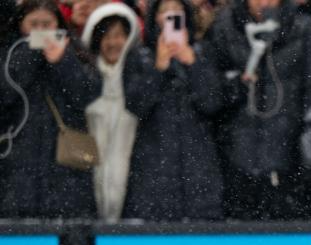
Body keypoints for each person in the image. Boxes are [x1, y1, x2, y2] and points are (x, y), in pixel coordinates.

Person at [205, 0, 311, 220]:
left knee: (287, 240)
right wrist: (237, 86)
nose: (264, 3)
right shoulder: (225, 27)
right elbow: (211, 93)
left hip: (288, 161)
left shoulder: (305, 28)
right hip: (236, 160)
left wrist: (310, 158)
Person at [121, 0, 225, 220]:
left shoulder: (204, 51)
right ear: (153, 18)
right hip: (153, 167)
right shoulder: (139, 56)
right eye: (164, 11)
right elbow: (135, 106)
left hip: (199, 166)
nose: (170, 16)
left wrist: (192, 63)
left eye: (176, 11)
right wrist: (158, 68)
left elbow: (213, 102)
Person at [0, 0, 101, 218]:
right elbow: (5, 94)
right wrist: (30, 54)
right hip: (18, 166)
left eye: (47, 24)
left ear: (58, 24)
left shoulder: (75, 50)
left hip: (66, 166)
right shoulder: (8, 53)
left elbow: (87, 95)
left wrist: (62, 61)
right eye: (33, 24)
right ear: (20, 25)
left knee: (67, 233)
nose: (40, 31)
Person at [83, 2, 140, 222]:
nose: (113, 43)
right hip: (91, 181)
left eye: (119, 35)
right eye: (106, 36)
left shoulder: (139, 76)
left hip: (132, 187)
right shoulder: (85, 77)